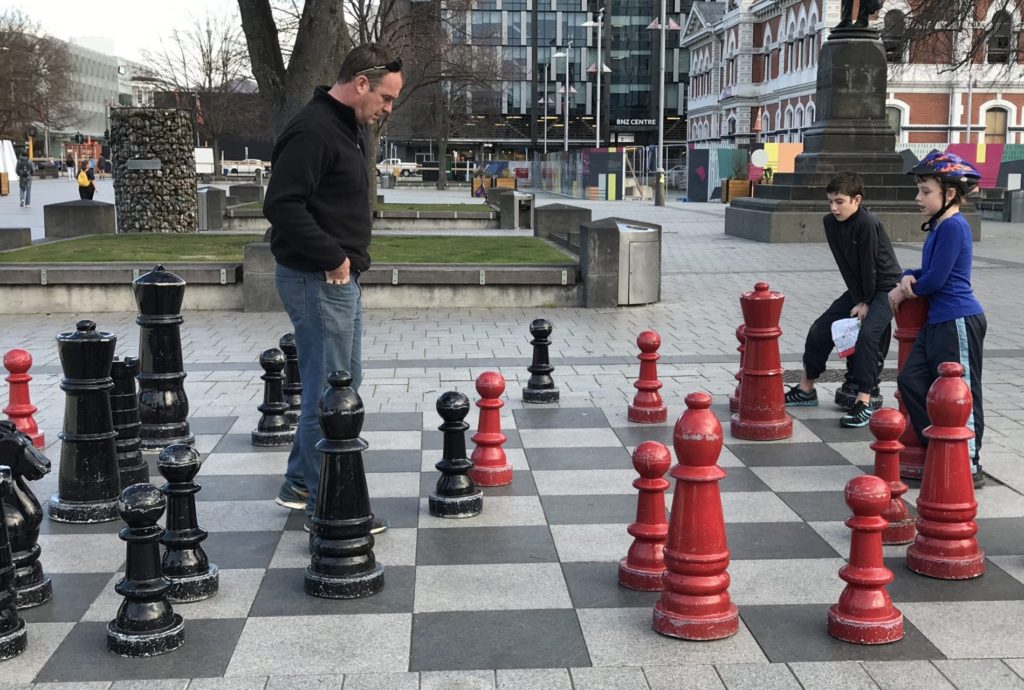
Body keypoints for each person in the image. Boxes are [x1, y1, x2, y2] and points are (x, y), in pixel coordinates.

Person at [263, 44, 403, 528]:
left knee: (344, 384)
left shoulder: (342, 126)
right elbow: (281, 205)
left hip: (333, 277)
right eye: (385, 98)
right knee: (331, 393)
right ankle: (331, 506)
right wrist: (335, 258)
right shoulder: (314, 129)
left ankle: (301, 483)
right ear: (361, 83)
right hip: (319, 277)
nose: (387, 109)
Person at [891, 151, 986, 488]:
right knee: (912, 381)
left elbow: (935, 281)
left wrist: (905, 289)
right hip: (939, 320)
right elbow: (925, 272)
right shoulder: (940, 226)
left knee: (962, 392)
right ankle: (942, 446)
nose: (919, 198)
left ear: (949, 194)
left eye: (925, 191)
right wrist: (907, 275)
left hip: (957, 319)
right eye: (919, 190)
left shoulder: (954, 226)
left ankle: (969, 461)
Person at [785, 172, 902, 428]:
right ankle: (806, 389)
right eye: (830, 202)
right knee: (820, 328)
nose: (834, 208)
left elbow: (870, 266)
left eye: (839, 201)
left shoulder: (867, 223)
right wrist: (858, 297)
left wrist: (866, 302)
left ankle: (864, 401)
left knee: (868, 336)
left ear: (856, 200)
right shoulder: (830, 223)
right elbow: (846, 266)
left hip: (885, 289)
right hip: (859, 288)